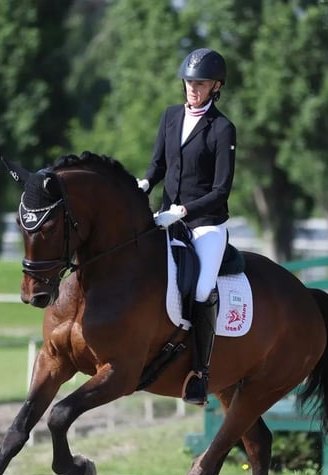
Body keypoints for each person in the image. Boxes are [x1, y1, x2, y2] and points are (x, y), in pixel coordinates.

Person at [137, 48, 237, 406]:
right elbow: (158, 165)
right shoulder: (170, 117)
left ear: (216, 86)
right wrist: (145, 185)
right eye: (190, 82)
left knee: (201, 288)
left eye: (201, 83)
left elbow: (221, 189)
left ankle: (200, 372)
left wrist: (182, 210)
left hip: (204, 225)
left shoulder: (222, 128)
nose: (193, 88)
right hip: (166, 219)